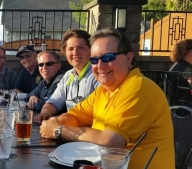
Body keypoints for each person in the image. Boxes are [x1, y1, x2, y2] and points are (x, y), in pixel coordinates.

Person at [39, 27, 175, 169]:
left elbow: (110, 141)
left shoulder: (138, 88)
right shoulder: (104, 90)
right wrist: (55, 122)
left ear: (129, 59)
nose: (100, 66)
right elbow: (76, 116)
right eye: (94, 60)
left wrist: (58, 130)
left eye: (108, 57)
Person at [34, 29, 99, 123]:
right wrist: (45, 112)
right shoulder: (68, 76)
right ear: (65, 53)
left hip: (91, 132)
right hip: (71, 128)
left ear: (90, 50)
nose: (75, 52)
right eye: (70, 49)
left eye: (81, 47)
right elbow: (54, 102)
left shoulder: (98, 73)